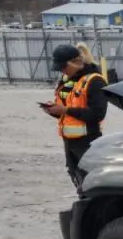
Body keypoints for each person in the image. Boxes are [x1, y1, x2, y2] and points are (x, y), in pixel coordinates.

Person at [42, 43, 108, 190]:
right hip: (69, 144)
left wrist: (65, 110)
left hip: (88, 142)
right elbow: (69, 113)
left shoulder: (95, 81)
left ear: (76, 62)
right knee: (78, 182)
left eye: (64, 67)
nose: (63, 71)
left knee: (93, 183)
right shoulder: (67, 81)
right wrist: (54, 111)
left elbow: (97, 114)